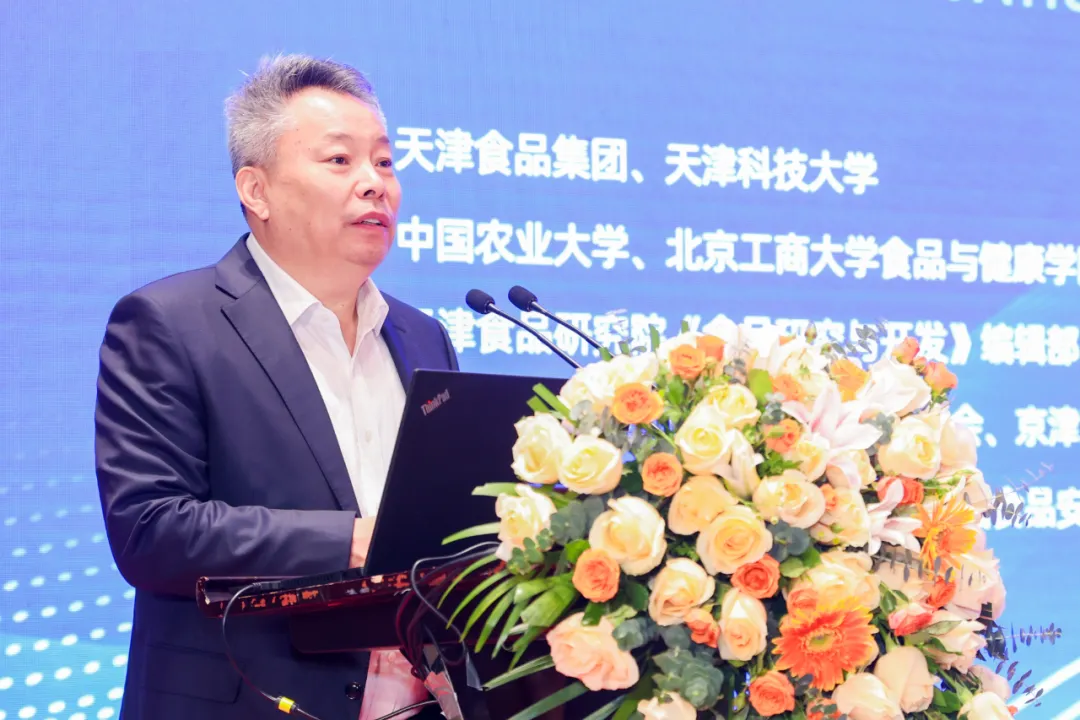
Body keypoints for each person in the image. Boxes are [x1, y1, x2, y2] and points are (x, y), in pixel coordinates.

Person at [94, 54, 458, 720]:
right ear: (256, 191)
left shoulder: (423, 336)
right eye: (340, 161)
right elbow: (151, 529)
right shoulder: (170, 323)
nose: (375, 184)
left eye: (385, 162)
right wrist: (354, 541)